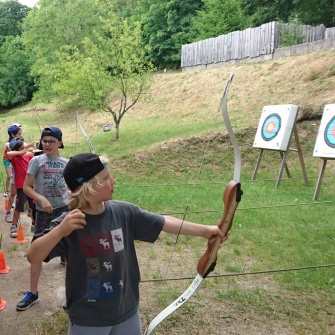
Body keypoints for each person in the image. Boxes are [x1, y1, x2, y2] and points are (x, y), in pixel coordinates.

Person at [26, 153, 228, 334]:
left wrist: (206, 231)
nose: (113, 181)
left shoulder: (124, 212)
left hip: (127, 311)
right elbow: (33, 255)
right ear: (88, 188)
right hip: (88, 319)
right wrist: (61, 230)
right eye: (106, 178)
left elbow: (165, 222)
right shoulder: (69, 223)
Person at [16, 126, 69, 311]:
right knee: (37, 251)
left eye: (51, 141)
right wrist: (41, 198)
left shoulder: (65, 163)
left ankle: (71, 295)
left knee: (71, 251)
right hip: (43, 213)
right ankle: (33, 293)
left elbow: (70, 187)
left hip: (64, 211)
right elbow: (27, 186)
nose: (47, 144)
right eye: (44, 141)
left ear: (60, 143)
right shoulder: (37, 161)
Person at [3, 124, 34, 222]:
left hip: (23, 174)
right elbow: (11, 153)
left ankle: (30, 211)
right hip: (15, 173)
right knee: (13, 193)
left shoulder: (20, 142)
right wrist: (24, 150)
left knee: (29, 195)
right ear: (13, 135)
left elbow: (27, 149)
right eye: (19, 134)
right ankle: (8, 213)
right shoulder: (9, 144)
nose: (21, 136)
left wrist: (29, 149)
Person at [6, 138, 35, 238]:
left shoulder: (27, 156)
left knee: (33, 206)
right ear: (17, 149)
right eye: (22, 148)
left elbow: (36, 156)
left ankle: (34, 224)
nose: (24, 150)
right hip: (21, 187)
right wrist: (23, 149)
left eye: (24, 147)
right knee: (19, 207)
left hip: (31, 186)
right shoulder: (14, 159)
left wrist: (32, 151)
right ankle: (13, 226)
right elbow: (9, 153)